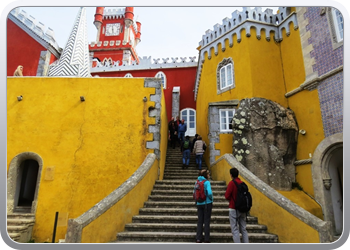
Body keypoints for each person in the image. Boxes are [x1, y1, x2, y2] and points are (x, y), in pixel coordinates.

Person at [224, 168, 249, 243]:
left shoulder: (232, 183)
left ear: (231, 175)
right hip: (242, 208)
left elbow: (227, 196)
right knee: (243, 229)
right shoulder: (242, 183)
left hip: (233, 208)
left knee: (234, 229)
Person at [194, 169, 213, 243]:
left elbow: (194, 192)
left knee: (200, 221)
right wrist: (211, 199)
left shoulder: (197, 182)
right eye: (208, 174)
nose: (209, 175)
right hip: (207, 203)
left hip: (199, 203)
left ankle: (198, 238)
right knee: (206, 221)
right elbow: (210, 193)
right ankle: (206, 238)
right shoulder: (207, 182)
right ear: (205, 175)